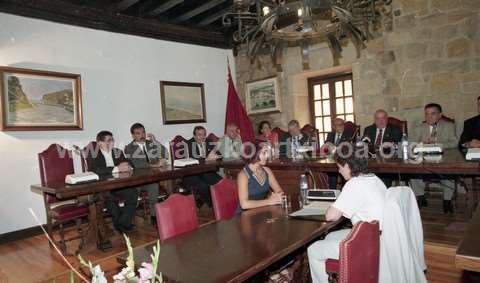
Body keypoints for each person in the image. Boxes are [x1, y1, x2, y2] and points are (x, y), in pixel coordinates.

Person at [307, 148, 387, 283]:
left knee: (313, 249)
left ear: (347, 165)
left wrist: (332, 206)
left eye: (339, 167)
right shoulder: (374, 178)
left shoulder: (354, 183)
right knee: (330, 236)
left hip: (367, 243)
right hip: (378, 236)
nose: (339, 171)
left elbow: (330, 216)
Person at [410, 103, 458, 213]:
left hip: (443, 159)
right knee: (412, 170)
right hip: (424, 159)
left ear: (440, 115)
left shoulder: (448, 125)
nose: (429, 117)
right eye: (426, 114)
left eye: (433, 114)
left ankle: (447, 200)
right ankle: (421, 197)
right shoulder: (419, 128)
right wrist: (422, 144)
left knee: (449, 171)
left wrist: (437, 144)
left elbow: (455, 142)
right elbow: (411, 143)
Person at [87, 130, 138, 233]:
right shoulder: (93, 153)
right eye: (108, 140)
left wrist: (127, 166)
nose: (112, 142)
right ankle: (122, 225)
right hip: (103, 187)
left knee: (133, 193)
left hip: (119, 185)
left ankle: (122, 223)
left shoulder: (117, 151)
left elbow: (130, 163)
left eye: (112, 139)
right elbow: (94, 170)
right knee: (110, 200)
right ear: (100, 143)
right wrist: (116, 169)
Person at [124, 123, 167, 224]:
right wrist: (156, 165)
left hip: (151, 178)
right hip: (137, 180)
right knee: (132, 197)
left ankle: (154, 216)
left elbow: (165, 153)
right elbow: (138, 164)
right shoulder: (129, 148)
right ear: (133, 135)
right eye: (138, 133)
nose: (142, 135)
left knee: (154, 186)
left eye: (143, 132)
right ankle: (129, 220)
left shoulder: (150, 144)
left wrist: (155, 141)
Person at [184, 126, 222, 208]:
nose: (202, 137)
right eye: (199, 135)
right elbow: (192, 159)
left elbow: (219, 154)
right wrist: (206, 159)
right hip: (192, 174)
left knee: (220, 182)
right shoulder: (188, 144)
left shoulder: (209, 141)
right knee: (203, 186)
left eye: (204, 134)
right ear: (194, 136)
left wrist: (216, 156)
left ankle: (222, 202)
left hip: (206, 172)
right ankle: (213, 205)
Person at [237, 143, 284, 210]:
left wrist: (277, 196)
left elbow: (280, 191)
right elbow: (244, 204)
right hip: (246, 215)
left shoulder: (267, 170)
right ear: (255, 155)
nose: (267, 156)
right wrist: (269, 201)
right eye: (264, 153)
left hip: (262, 210)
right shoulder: (243, 175)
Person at [323, 118, 353, 189]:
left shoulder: (349, 135)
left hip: (344, 160)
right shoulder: (330, 134)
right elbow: (326, 147)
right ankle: (332, 192)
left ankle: (344, 190)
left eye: (342, 124)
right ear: (333, 127)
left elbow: (347, 149)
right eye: (338, 125)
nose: (340, 126)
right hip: (332, 160)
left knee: (336, 170)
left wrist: (335, 149)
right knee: (331, 171)